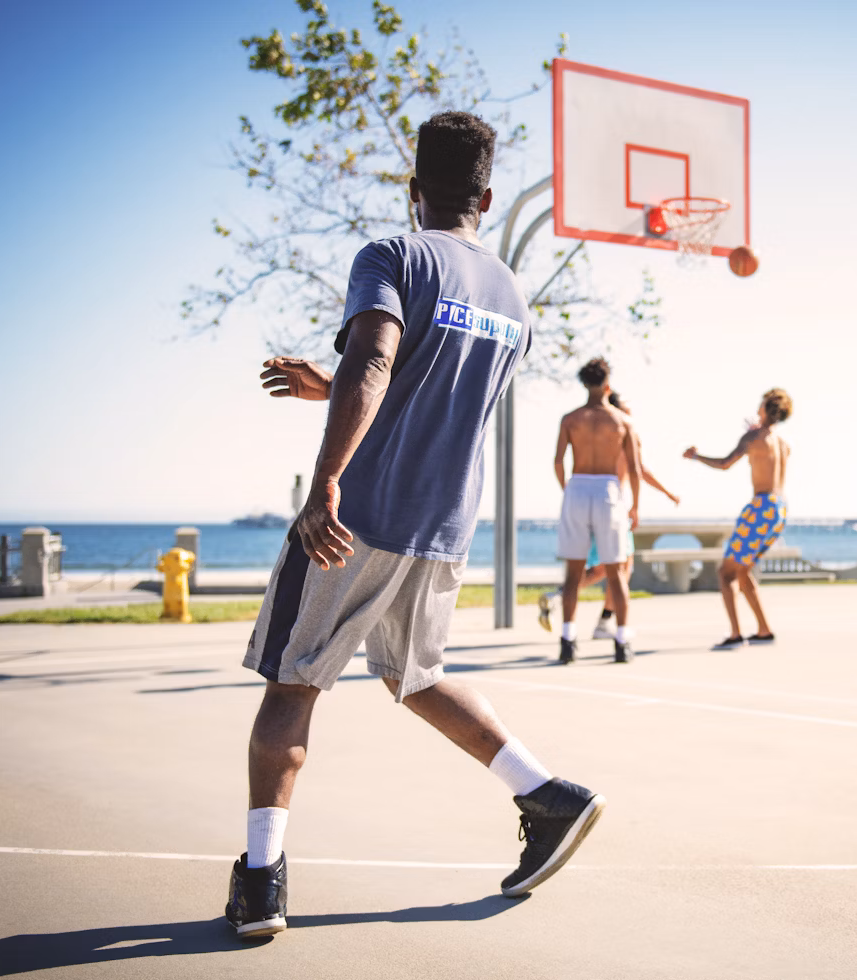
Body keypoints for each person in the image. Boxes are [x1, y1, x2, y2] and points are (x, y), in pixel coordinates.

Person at [230, 112, 604, 940]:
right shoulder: (513, 296)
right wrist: (332, 386)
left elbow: (377, 359)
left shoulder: (393, 256)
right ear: (488, 197)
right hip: (443, 523)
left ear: (414, 189)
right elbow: (428, 387)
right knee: (418, 676)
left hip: (361, 513)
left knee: (292, 685)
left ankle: (260, 881)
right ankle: (547, 795)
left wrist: (326, 481)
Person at [538, 390, 680, 639]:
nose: (631, 412)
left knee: (605, 569)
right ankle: (600, 621)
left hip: (591, 504)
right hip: (613, 508)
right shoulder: (623, 431)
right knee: (619, 570)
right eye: (627, 407)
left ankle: (572, 607)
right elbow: (639, 470)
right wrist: (661, 495)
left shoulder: (595, 432)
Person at [683, 389, 793, 648]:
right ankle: (763, 630)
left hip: (761, 507)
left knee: (726, 573)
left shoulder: (753, 436)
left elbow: (725, 463)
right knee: (742, 570)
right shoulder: (782, 443)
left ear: (765, 408)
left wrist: (696, 456)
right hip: (779, 509)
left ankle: (735, 634)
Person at [551, 359, 641, 664]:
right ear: (607, 384)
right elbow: (635, 469)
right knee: (617, 571)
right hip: (607, 490)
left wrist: (568, 489)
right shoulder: (621, 421)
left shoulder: (571, 418)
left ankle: (568, 640)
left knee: (573, 573)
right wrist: (636, 506)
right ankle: (622, 641)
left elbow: (558, 461)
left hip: (577, 487)